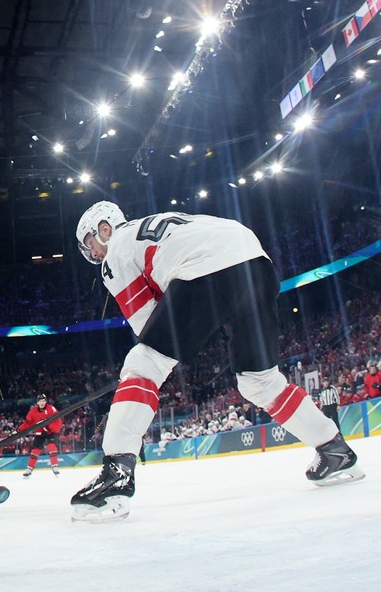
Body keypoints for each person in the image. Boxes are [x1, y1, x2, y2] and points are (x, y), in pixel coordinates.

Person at [71, 201, 364, 522]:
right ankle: (334, 450)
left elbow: (147, 324)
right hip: (255, 260)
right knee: (260, 380)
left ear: (105, 229)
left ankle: (116, 475)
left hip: (205, 268)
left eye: (90, 242)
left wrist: (159, 357)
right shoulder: (155, 225)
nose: (93, 252)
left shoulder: (115, 251)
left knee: (144, 363)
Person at [18, 394, 62, 478]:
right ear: (37, 402)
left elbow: (58, 421)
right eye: (40, 401)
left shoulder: (51, 408)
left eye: (43, 401)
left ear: (46, 401)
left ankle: (55, 466)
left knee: (51, 446)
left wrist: (49, 428)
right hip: (40, 432)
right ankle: (29, 469)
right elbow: (27, 423)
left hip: (52, 431)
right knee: (35, 449)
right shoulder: (33, 411)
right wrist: (18, 430)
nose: (42, 403)